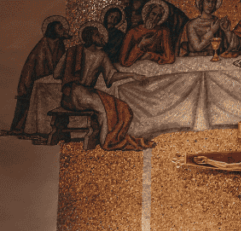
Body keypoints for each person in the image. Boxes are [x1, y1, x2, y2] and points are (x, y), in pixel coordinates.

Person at [53, 23, 154, 151]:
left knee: (122, 107)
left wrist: (132, 75)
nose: (101, 36)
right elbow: (56, 73)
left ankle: (109, 138)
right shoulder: (75, 52)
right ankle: (107, 142)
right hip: (75, 93)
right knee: (105, 110)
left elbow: (111, 76)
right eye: (97, 34)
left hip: (85, 94)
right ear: (89, 37)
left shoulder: (100, 55)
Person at [9, 16, 70, 134]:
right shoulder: (43, 44)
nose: (63, 30)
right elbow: (38, 66)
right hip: (34, 80)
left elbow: (62, 63)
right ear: (53, 30)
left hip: (51, 79)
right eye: (60, 28)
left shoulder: (60, 44)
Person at [120, 0, 176, 66]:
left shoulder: (163, 31)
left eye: (159, 16)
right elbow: (124, 62)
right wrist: (140, 45)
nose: (155, 18)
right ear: (148, 12)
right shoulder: (132, 32)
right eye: (153, 13)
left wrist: (151, 56)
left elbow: (170, 58)